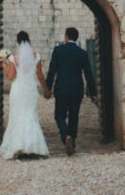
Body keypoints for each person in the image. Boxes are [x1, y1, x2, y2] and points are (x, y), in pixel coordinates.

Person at [0, 31, 50, 159]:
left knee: (17, 116)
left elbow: (11, 77)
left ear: (18, 42)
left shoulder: (13, 58)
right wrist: (46, 89)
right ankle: (33, 147)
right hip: (31, 90)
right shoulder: (36, 56)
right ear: (29, 41)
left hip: (18, 91)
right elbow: (40, 75)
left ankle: (17, 146)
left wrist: (4, 66)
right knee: (31, 116)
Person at [45, 27, 98, 156]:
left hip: (61, 88)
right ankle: (72, 141)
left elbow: (52, 71)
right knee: (74, 116)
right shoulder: (82, 53)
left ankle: (65, 136)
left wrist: (47, 88)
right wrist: (93, 93)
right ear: (76, 38)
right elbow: (88, 73)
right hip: (76, 89)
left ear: (66, 37)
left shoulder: (58, 50)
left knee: (59, 115)